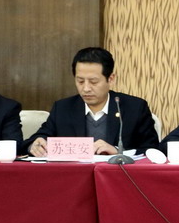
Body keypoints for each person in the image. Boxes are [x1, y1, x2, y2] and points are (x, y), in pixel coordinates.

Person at [25, 47, 158, 156]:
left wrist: (118, 151)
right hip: (74, 176)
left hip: (117, 176)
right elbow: (38, 139)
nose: (86, 88)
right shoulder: (63, 108)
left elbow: (152, 149)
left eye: (93, 82)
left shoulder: (134, 108)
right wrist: (34, 145)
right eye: (80, 81)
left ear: (111, 79)